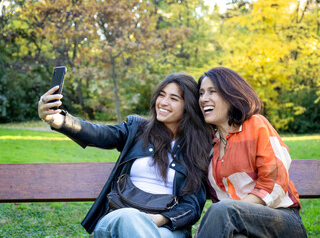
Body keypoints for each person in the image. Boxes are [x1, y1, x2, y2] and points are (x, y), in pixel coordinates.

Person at [38, 72, 213, 238]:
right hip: (117, 217)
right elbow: (98, 134)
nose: (163, 102)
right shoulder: (136, 130)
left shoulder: (198, 148)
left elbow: (192, 206)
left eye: (174, 98)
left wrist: (157, 220)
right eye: (161, 95)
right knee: (130, 218)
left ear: (188, 106)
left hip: (165, 229)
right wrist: (57, 119)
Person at [196, 67, 307, 238]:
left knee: (222, 209)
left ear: (230, 94)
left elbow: (274, 184)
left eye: (212, 92)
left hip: (281, 221)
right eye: (201, 93)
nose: (204, 99)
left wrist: (229, 211)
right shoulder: (209, 144)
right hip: (235, 226)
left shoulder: (256, 125)